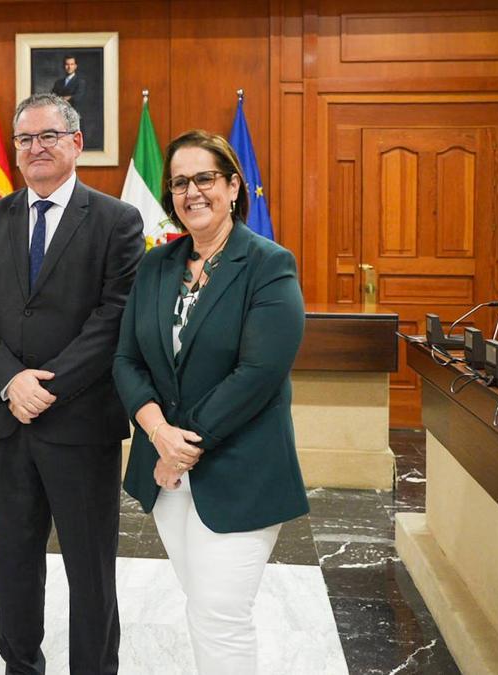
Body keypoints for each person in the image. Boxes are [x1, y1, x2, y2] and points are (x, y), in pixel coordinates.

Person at [0, 93, 144, 674]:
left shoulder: (116, 219)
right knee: (13, 559)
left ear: (76, 143)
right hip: (8, 420)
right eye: (25, 139)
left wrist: (48, 386)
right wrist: (10, 379)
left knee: (89, 564)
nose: (35, 149)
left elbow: (115, 315)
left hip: (80, 421)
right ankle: (20, 665)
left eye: (48, 137)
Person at [113, 129, 308, 674]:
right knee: (202, 606)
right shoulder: (155, 265)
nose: (191, 192)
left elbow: (259, 374)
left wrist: (182, 443)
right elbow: (127, 360)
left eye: (204, 178)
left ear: (232, 185)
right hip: (167, 474)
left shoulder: (269, 264)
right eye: (179, 182)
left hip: (239, 469)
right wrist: (159, 435)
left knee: (222, 613)